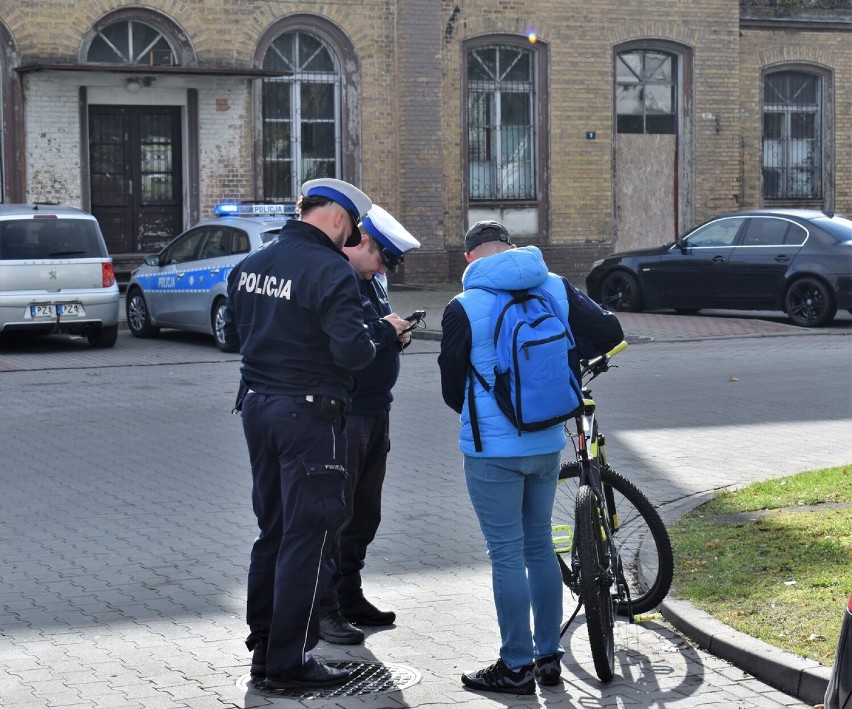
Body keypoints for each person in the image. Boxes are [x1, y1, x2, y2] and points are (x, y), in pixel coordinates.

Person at [438, 221, 624, 695]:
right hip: (546, 442)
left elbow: (449, 390)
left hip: (491, 451)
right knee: (541, 546)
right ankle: (549, 659)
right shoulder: (556, 286)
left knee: (505, 554)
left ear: (469, 260)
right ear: (513, 249)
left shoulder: (462, 306)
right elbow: (609, 331)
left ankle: (515, 667)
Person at [223, 178, 377, 690]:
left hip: (258, 407)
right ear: (336, 217)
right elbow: (353, 353)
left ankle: (265, 648)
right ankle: (289, 663)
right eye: (352, 228)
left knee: (273, 531)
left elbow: (243, 336)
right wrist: (380, 338)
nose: (350, 239)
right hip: (309, 416)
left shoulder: (251, 264)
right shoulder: (329, 270)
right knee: (307, 538)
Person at [318, 205, 421, 644]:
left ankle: (349, 593)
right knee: (335, 516)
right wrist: (384, 330)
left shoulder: (369, 281)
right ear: (361, 242)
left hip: (376, 411)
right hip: (347, 416)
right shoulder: (337, 281)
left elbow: (376, 334)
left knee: (364, 515)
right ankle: (324, 610)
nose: (385, 269)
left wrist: (397, 334)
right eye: (383, 258)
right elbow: (348, 346)